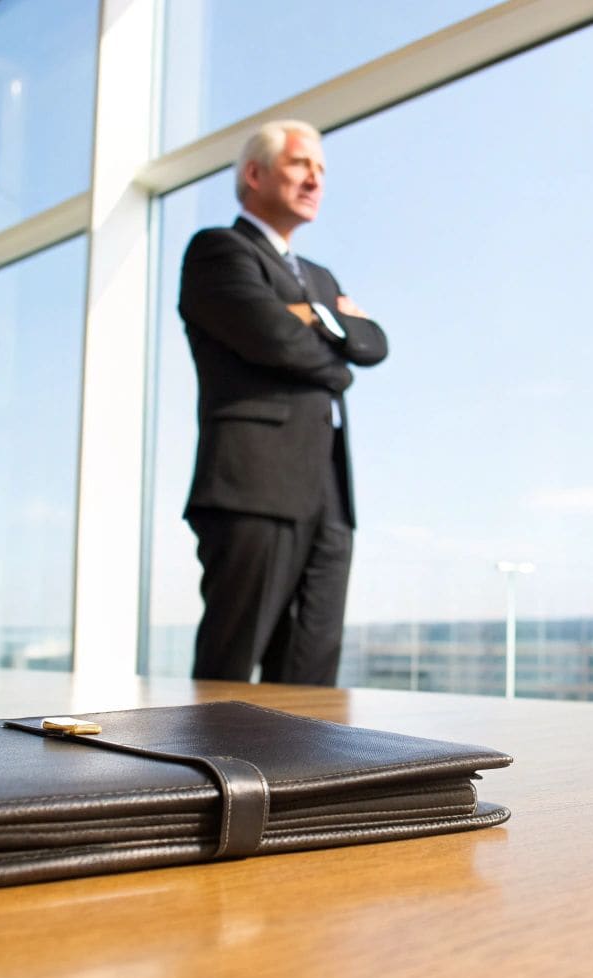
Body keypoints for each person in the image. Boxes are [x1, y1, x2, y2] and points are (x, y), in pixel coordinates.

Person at [177, 120, 388, 686]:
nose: (315, 180)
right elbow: (275, 340)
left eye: (321, 170)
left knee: (312, 674)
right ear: (255, 174)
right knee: (229, 667)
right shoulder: (219, 251)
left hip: (329, 493)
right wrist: (336, 350)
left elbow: (374, 343)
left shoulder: (318, 277)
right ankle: (211, 751)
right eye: (300, 165)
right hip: (254, 486)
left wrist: (312, 318)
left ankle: (300, 755)